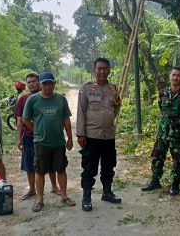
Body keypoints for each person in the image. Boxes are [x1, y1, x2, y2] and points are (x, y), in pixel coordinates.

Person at [22, 72, 75, 212]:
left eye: (50, 83)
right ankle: (40, 200)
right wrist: (36, 129)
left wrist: (69, 138)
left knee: (61, 169)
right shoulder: (32, 100)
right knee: (40, 171)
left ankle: (64, 196)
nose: (47, 86)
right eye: (44, 83)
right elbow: (25, 119)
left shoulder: (60, 99)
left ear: (54, 84)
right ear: (40, 84)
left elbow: (66, 120)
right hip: (41, 142)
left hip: (58, 141)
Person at [76, 57, 122, 212]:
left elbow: (116, 108)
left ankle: (107, 192)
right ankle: (86, 197)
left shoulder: (113, 89)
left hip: (109, 136)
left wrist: (108, 120)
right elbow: (81, 112)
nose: (102, 71)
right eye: (99, 68)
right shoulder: (86, 89)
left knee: (109, 166)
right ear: (94, 70)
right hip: (91, 136)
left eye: (105, 68)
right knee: (89, 167)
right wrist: (80, 134)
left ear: (109, 70)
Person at [141, 66, 180, 195]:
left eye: (178, 75)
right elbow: (162, 111)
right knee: (157, 157)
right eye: (173, 75)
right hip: (162, 132)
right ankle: (155, 181)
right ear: (170, 75)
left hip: (177, 134)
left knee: (178, 160)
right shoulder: (163, 93)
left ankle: (175, 184)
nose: (175, 77)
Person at [15, 73, 61, 200]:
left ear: (39, 82)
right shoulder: (23, 99)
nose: (31, 84)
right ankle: (32, 189)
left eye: (34, 81)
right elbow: (20, 120)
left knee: (51, 163)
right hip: (29, 137)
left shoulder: (49, 97)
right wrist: (19, 138)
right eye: (29, 82)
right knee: (30, 164)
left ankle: (54, 186)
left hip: (47, 138)